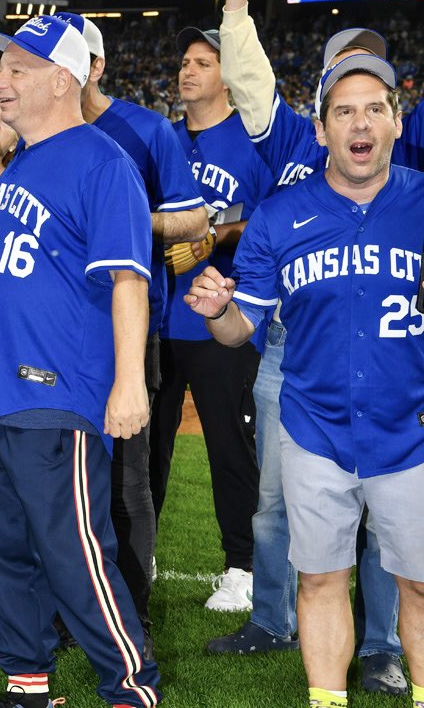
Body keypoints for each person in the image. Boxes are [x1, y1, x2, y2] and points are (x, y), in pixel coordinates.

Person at [205, 0, 407, 691]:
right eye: (344, 79)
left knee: (385, 516)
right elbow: (248, 74)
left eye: (373, 83)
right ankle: (272, 617)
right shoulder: (290, 137)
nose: (359, 102)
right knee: (273, 504)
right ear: (321, 96)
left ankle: (382, 646)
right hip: (291, 345)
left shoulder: (396, 155)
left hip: (387, 347)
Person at [184, 52, 424, 708]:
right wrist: (219, 312)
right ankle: (326, 699)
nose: (360, 122)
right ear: (320, 130)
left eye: (374, 108)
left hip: (411, 430)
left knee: (418, 583)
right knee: (320, 579)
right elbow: (242, 328)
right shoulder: (280, 214)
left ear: (397, 122)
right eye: (343, 111)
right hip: (313, 428)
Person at [0, 14, 160, 708]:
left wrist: (129, 383)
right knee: (6, 548)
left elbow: (128, 280)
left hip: (53, 393)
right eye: (1, 68)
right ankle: (27, 683)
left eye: (16, 70)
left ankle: (130, 688)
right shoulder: (23, 161)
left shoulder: (103, 162)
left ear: (62, 80)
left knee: (73, 554)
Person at [56, 10, 208, 654]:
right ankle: (70, 608)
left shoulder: (147, 129)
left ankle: (132, 612)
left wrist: (120, 217)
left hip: (127, 325)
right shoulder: (39, 133)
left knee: (126, 480)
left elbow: (194, 220)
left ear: (95, 67)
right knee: (60, 477)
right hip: (54, 329)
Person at [148, 24, 276, 613]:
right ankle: (139, 553)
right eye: (185, 61)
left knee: (230, 445)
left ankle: (241, 567)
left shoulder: (252, 142)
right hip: (157, 317)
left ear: (228, 76)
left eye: (203, 61)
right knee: (145, 447)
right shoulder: (162, 138)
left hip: (224, 317)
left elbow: (275, 220)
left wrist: (216, 234)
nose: (188, 70)